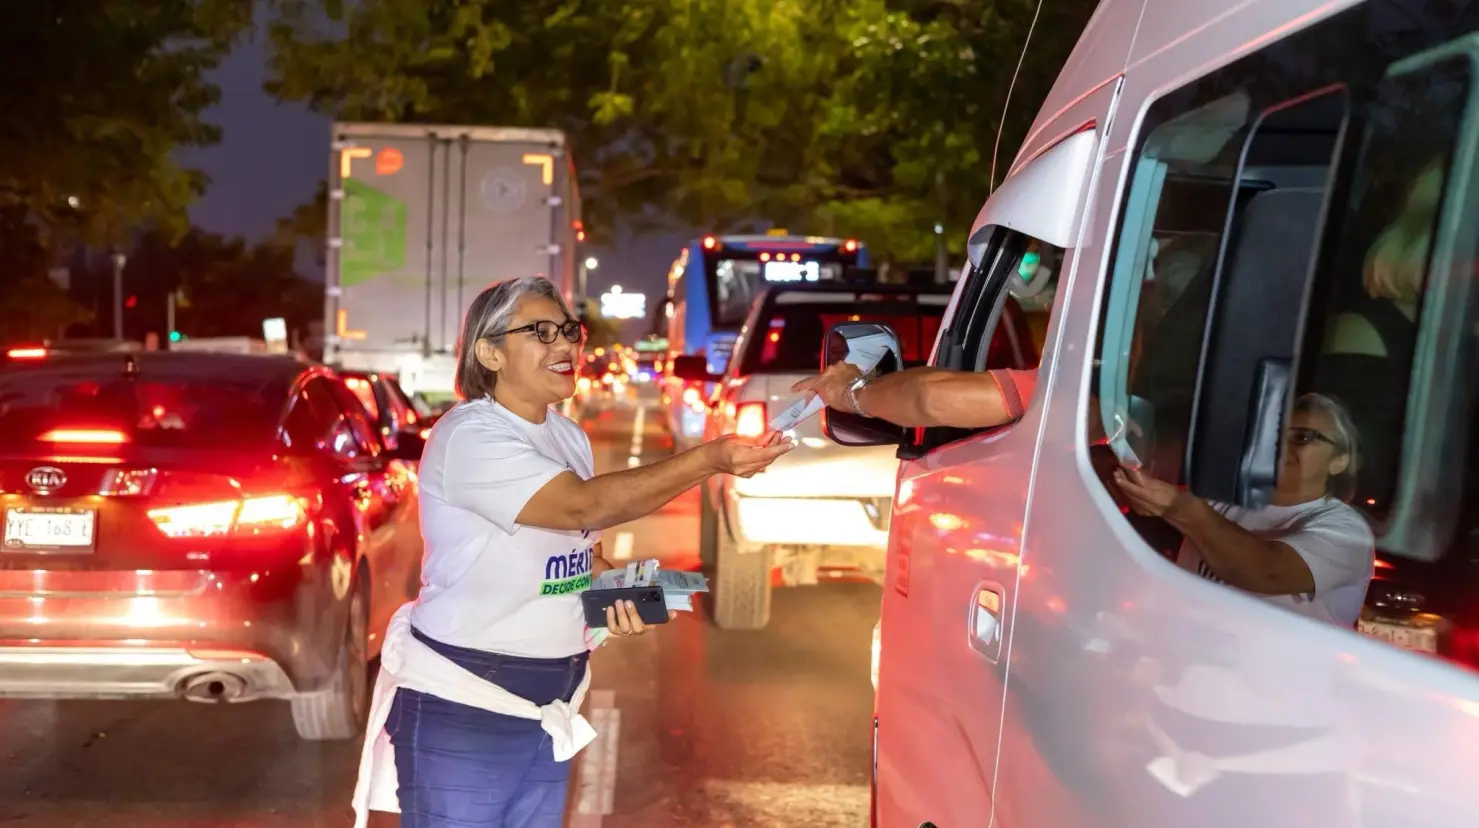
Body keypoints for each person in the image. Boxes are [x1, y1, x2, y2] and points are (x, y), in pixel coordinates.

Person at [352, 276, 792, 828]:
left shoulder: (566, 437)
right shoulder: (469, 436)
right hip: (466, 705)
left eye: (568, 331)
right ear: (490, 351)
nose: (565, 345)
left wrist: (622, 596)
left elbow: (581, 556)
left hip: (548, 707)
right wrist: (710, 460)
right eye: (542, 332)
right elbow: (581, 509)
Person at [1114, 392, 1374, 627]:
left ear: (1340, 461)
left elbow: (1267, 573)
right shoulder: (1224, 501)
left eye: (1303, 437)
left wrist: (1184, 511)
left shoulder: (1347, 531)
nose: (1280, 447)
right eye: (1274, 435)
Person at [792, 358, 1035, 429]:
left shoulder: (1059, 386)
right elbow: (928, 382)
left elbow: (933, 398)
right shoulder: (1063, 380)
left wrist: (852, 394)